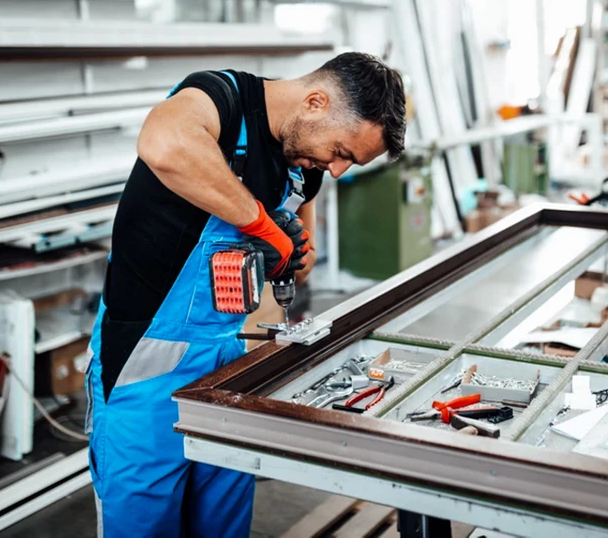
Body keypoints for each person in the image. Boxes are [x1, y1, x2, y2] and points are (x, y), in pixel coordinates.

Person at [84, 52, 407, 537]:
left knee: (224, 526)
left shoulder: (306, 168)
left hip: (228, 367)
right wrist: (259, 224)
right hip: (142, 374)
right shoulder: (221, 99)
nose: (338, 170)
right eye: (341, 151)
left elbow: (301, 259)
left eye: (350, 162)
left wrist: (293, 256)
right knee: (144, 526)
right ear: (315, 103)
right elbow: (164, 143)